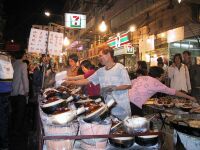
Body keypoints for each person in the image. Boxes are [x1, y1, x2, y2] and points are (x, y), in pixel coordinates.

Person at [63, 47, 132, 117]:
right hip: (109, 107)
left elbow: (128, 85)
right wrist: (71, 82)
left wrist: (113, 88)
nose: (99, 58)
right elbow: (86, 80)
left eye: (100, 56)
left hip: (122, 108)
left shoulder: (120, 67)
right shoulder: (100, 71)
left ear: (108, 55)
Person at [129, 66, 196, 116]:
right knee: (139, 128)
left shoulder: (142, 77)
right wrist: (190, 97)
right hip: (134, 105)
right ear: (160, 75)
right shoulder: (156, 83)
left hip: (126, 101)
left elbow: (128, 83)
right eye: (163, 75)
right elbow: (174, 92)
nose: (164, 77)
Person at [10, 51, 29, 136]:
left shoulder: (13, 64)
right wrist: (27, 91)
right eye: (25, 54)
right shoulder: (23, 64)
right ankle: (17, 130)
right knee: (20, 113)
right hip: (21, 92)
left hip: (12, 92)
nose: (25, 56)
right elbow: (25, 78)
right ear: (22, 55)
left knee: (14, 112)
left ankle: (12, 128)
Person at [0, 53, 13, 150]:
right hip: (7, 93)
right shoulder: (6, 58)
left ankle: (4, 144)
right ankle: (5, 143)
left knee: (2, 120)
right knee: (4, 119)